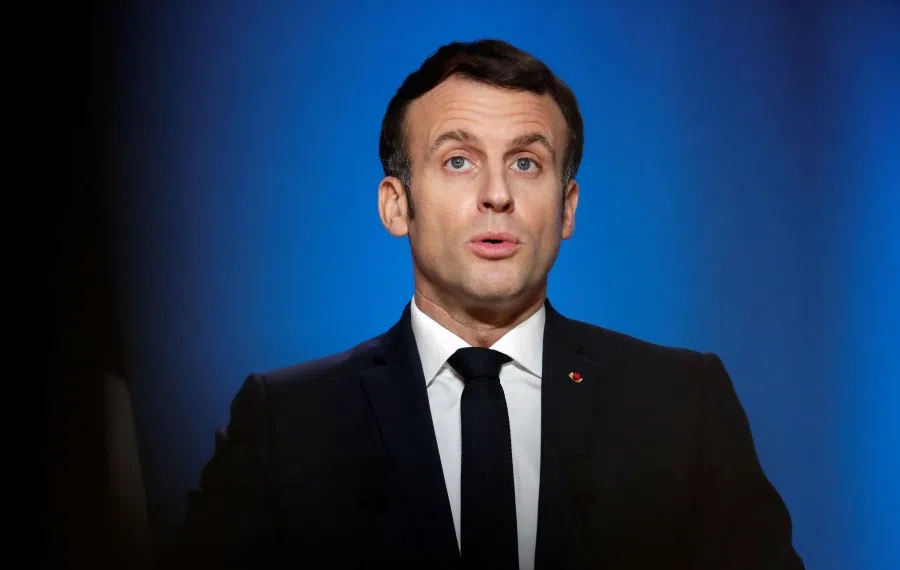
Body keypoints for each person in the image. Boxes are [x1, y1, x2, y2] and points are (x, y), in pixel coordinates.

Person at [173, 39, 805, 569]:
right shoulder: (286, 422)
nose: (497, 194)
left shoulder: (682, 401)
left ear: (567, 209)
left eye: (527, 163)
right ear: (397, 204)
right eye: (458, 161)